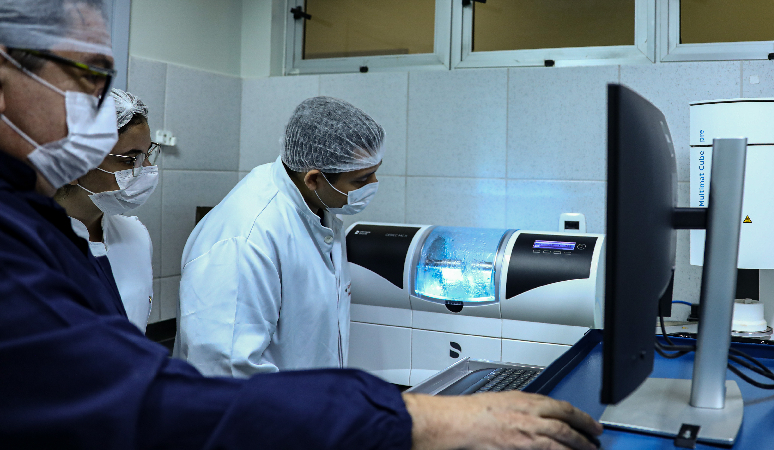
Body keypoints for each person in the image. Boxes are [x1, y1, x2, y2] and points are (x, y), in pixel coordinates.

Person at [0, 1, 602, 449]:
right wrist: (407, 420)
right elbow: (213, 385)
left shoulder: (319, 217)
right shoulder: (246, 233)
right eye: (87, 76)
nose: (100, 111)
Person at [176, 96, 382, 376]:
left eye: (374, 174)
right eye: (361, 180)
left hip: (308, 407)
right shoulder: (246, 238)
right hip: (260, 415)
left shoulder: (321, 210)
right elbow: (227, 369)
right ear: (313, 179)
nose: (373, 185)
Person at [54, 88, 159, 332]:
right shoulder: (23, 246)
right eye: (130, 159)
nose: (146, 169)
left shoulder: (136, 235)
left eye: (147, 154)